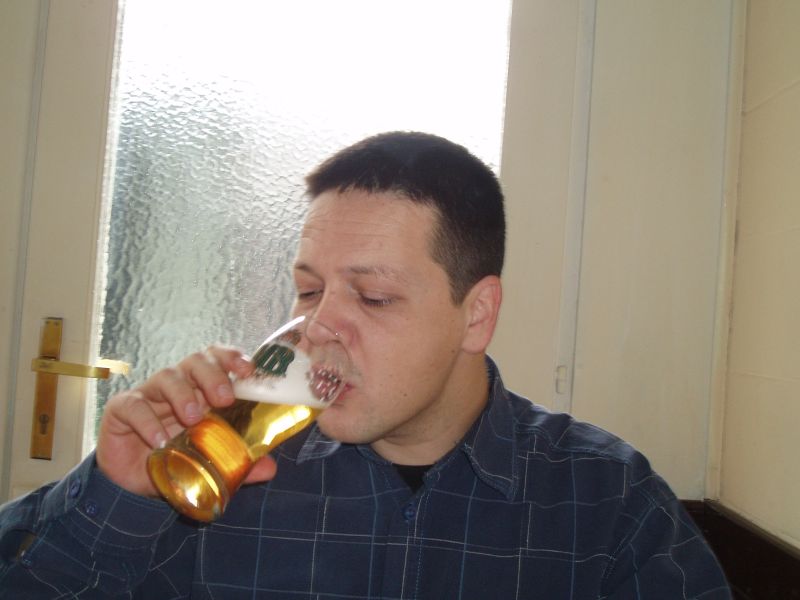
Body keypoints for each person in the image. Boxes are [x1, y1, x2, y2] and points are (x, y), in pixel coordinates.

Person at [0, 132, 730, 599]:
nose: (318, 327)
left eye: (374, 297)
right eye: (308, 289)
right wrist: (113, 498)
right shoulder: (225, 471)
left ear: (477, 315)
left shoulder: (604, 501)